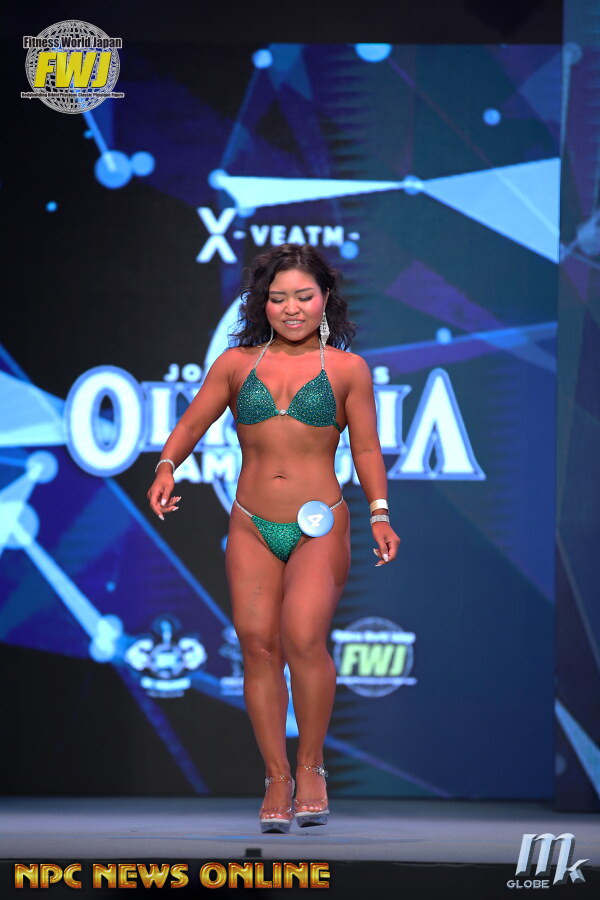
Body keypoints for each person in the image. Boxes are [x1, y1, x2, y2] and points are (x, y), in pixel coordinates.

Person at [147, 243, 401, 833]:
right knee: (258, 645)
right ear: (262, 303)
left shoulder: (347, 370)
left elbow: (366, 448)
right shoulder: (236, 364)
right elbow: (192, 422)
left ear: (325, 299)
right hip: (251, 523)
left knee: (304, 637)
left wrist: (380, 513)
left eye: (303, 296)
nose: (291, 308)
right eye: (278, 297)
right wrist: (166, 466)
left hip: (320, 522)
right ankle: (277, 778)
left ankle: (311, 768)